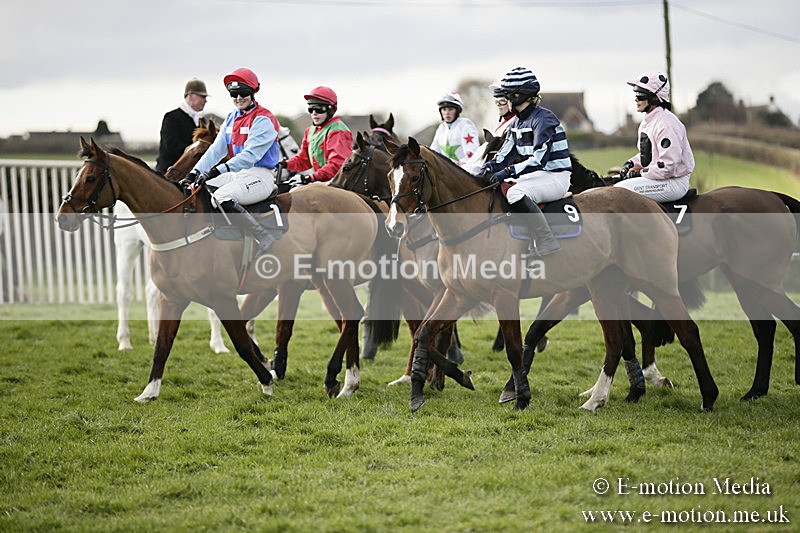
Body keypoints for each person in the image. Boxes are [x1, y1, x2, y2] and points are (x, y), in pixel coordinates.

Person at [181, 68, 282, 255]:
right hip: (238, 175)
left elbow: (249, 156)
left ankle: (263, 236)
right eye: (233, 94)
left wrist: (217, 171)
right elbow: (215, 151)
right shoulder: (231, 118)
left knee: (221, 197)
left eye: (243, 93)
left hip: (261, 176)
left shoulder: (264, 119)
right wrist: (194, 173)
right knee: (199, 188)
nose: (238, 98)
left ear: (253, 92)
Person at [480, 67, 572, 259]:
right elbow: (506, 153)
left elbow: (539, 160)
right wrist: (488, 168)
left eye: (506, 96)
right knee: (499, 187)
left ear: (518, 95)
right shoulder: (517, 122)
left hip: (556, 176)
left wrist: (506, 171)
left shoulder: (543, 119)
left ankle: (547, 240)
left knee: (515, 192)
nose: (504, 101)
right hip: (538, 175)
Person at [615, 72, 694, 202]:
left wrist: (639, 173)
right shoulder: (649, 122)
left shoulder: (666, 124)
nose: (636, 99)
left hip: (673, 182)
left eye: (640, 95)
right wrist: (631, 163)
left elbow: (667, 167)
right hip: (660, 179)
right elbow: (650, 156)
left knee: (619, 192)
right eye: (635, 94)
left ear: (655, 98)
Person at [284, 86, 353, 185]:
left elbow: (337, 165)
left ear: (330, 110)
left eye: (319, 109)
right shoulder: (310, 131)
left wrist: (310, 177)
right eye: (311, 109)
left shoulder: (338, 131)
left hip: (340, 183)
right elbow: (303, 160)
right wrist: (285, 164)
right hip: (322, 183)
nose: (314, 113)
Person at [155, 78, 208, 173]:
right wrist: (195, 153)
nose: (205, 100)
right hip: (169, 173)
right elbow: (171, 145)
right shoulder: (172, 117)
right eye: (202, 96)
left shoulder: (202, 121)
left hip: (190, 172)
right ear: (191, 96)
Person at [430, 91, 480, 166]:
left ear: (457, 111)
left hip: (465, 171)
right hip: (446, 171)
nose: (447, 113)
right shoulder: (441, 128)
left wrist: (457, 165)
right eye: (444, 109)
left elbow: (472, 153)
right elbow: (433, 152)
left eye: (450, 109)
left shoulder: (465, 125)